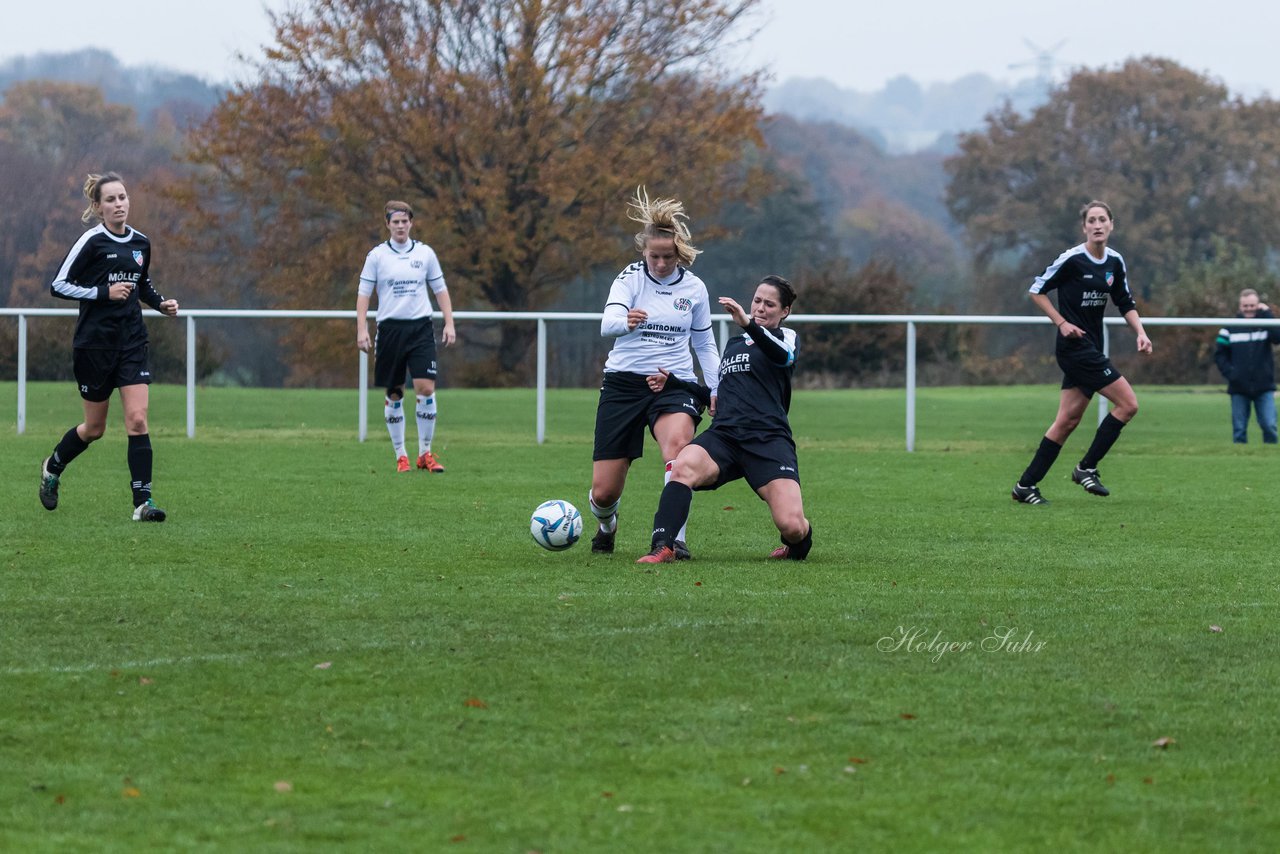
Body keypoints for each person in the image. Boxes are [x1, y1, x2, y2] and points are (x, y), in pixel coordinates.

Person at [638, 276, 811, 563]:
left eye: (770, 304)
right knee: (683, 465)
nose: (760, 308)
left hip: (767, 441)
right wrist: (676, 384)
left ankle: (799, 545)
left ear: (785, 311)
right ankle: (663, 546)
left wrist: (748, 324)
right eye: (757, 301)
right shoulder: (733, 344)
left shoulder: (786, 337)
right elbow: (718, 396)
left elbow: (783, 357)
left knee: (792, 526)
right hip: (725, 436)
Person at [40, 171, 180, 521]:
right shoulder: (91, 242)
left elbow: (141, 283)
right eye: (111, 200)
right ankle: (52, 467)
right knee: (95, 429)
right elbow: (58, 285)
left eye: (123, 197)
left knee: (137, 419)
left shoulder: (141, 243)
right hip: (94, 346)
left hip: (131, 342)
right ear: (98, 207)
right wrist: (103, 293)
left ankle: (143, 504)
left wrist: (160, 303)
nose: (119, 204)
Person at [589, 187, 720, 559]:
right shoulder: (630, 278)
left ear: (679, 253)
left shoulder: (694, 289)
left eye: (668, 257)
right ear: (643, 252)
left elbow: (705, 345)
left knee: (678, 451)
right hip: (624, 384)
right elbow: (608, 323)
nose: (660, 264)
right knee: (604, 492)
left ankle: (672, 538)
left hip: (673, 383)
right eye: (653, 256)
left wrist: (715, 388)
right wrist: (624, 323)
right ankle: (606, 525)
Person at [1011, 200, 1153, 505]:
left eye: (1103, 220)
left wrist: (1141, 333)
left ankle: (1025, 486)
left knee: (1067, 421)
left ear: (1112, 225)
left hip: (1092, 346)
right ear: (1084, 227)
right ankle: (1086, 467)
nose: (1098, 225)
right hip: (1075, 349)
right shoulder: (1073, 259)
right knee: (1128, 404)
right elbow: (1036, 290)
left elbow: (1125, 302)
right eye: (1092, 221)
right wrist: (1061, 323)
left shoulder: (1115, 262)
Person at [356, 200, 457, 473]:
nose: (400, 226)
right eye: (395, 221)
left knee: (426, 388)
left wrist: (449, 322)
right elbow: (364, 294)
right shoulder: (377, 256)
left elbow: (440, 289)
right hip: (390, 330)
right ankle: (401, 455)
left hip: (420, 329)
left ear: (411, 223)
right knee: (395, 392)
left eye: (405, 221)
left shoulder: (424, 254)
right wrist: (362, 329)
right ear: (388, 224)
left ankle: (425, 452)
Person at [1214, 288, 1280, 444]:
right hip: (1239, 387)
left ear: (1258, 305)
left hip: (1264, 386)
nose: (1249, 309)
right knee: (1239, 430)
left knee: (1269, 425)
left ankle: (1269, 457)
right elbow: (1219, 355)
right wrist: (1232, 374)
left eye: (1252, 305)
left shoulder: (1265, 323)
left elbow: (1278, 338)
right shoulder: (1229, 327)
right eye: (1246, 306)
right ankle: (1239, 460)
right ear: (1240, 306)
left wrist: (1268, 314)